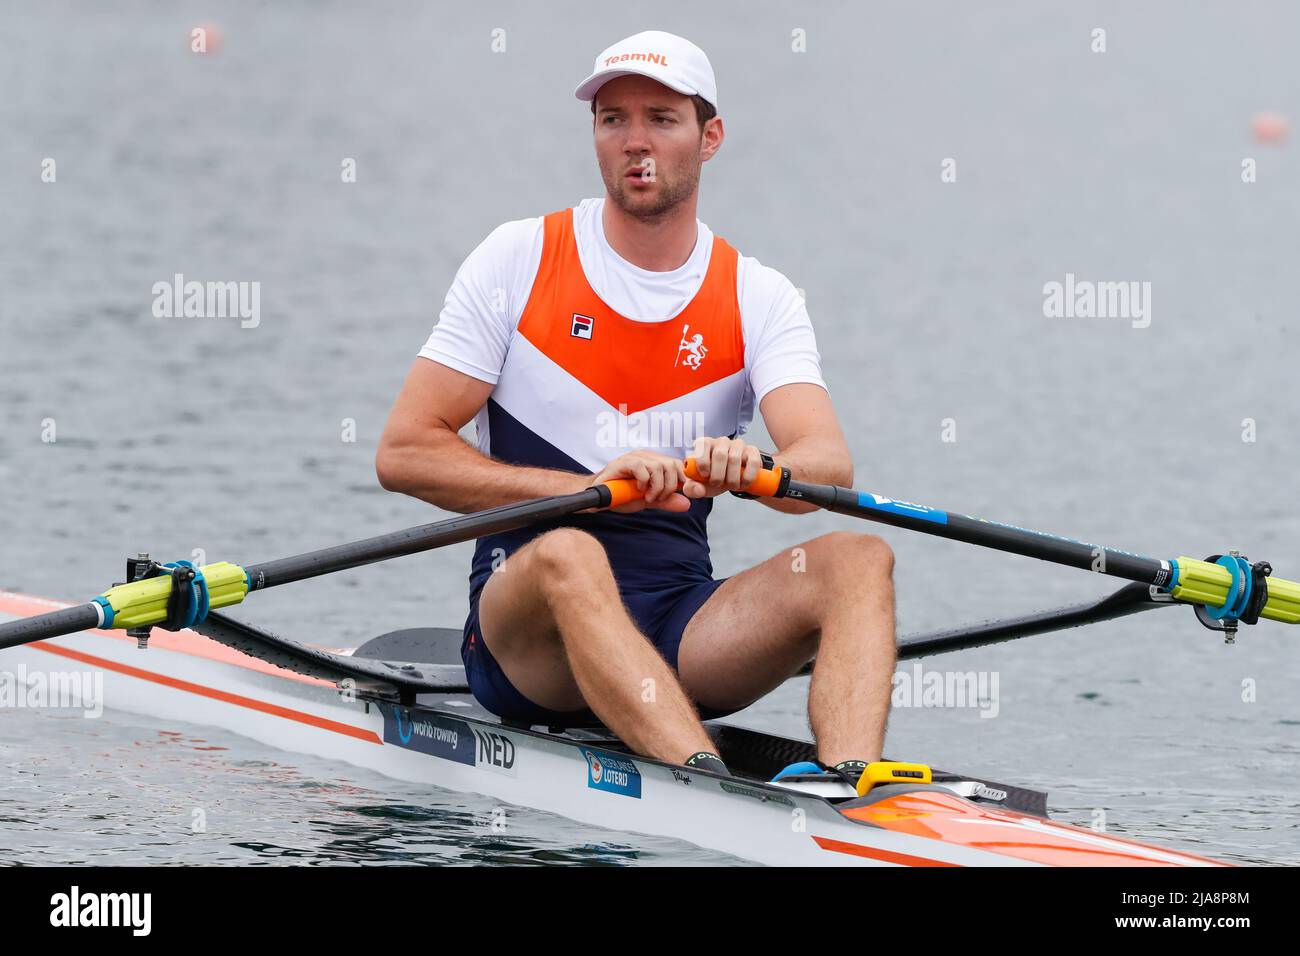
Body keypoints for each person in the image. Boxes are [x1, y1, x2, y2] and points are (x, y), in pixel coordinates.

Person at [377, 30, 896, 785]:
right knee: (568, 552)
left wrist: (755, 468)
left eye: (661, 117)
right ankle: (704, 785)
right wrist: (580, 493)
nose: (634, 141)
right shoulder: (520, 258)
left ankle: (854, 787)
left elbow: (826, 466)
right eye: (613, 119)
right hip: (530, 647)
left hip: (681, 630)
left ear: (709, 137)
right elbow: (403, 452)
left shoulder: (758, 296)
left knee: (859, 558)